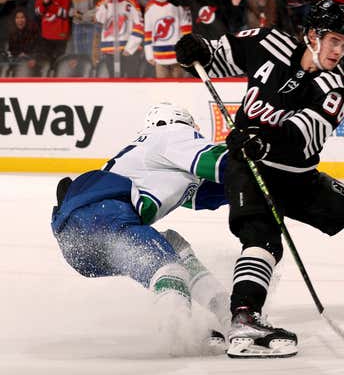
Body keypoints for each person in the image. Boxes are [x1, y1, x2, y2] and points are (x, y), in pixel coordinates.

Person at [174, 0, 344, 359]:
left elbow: (301, 138)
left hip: (298, 179)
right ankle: (245, 318)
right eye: (335, 41)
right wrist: (193, 49)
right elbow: (211, 59)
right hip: (250, 172)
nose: (340, 51)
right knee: (263, 242)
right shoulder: (268, 43)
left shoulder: (336, 87)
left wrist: (262, 140)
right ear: (312, 35)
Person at [51, 102, 231, 354]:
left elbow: (208, 195)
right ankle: (178, 332)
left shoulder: (149, 159)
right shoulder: (170, 134)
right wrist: (252, 157)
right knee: (168, 267)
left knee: (173, 246)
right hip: (104, 214)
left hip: (76, 242)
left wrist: (250, 185)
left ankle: (226, 311)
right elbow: (219, 163)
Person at [144, 0, 192, 78]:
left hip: (178, 56)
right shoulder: (150, 7)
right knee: (163, 91)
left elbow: (186, 28)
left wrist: (187, 50)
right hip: (159, 57)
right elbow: (148, 32)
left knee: (180, 89)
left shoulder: (177, 4)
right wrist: (149, 53)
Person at [95, 0, 144, 77]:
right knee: (115, 83)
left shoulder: (130, 2)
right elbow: (100, 20)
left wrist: (130, 48)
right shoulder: (101, 4)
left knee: (133, 81)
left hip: (129, 51)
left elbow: (140, 25)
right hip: (110, 50)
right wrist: (106, 2)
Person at [35, 0, 71, 68]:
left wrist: (50, 4)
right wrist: (43, 4)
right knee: (47, 62)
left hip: (60, 33)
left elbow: (64, 13)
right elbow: (38, 12)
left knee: (60, 63)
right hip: (46, 34)